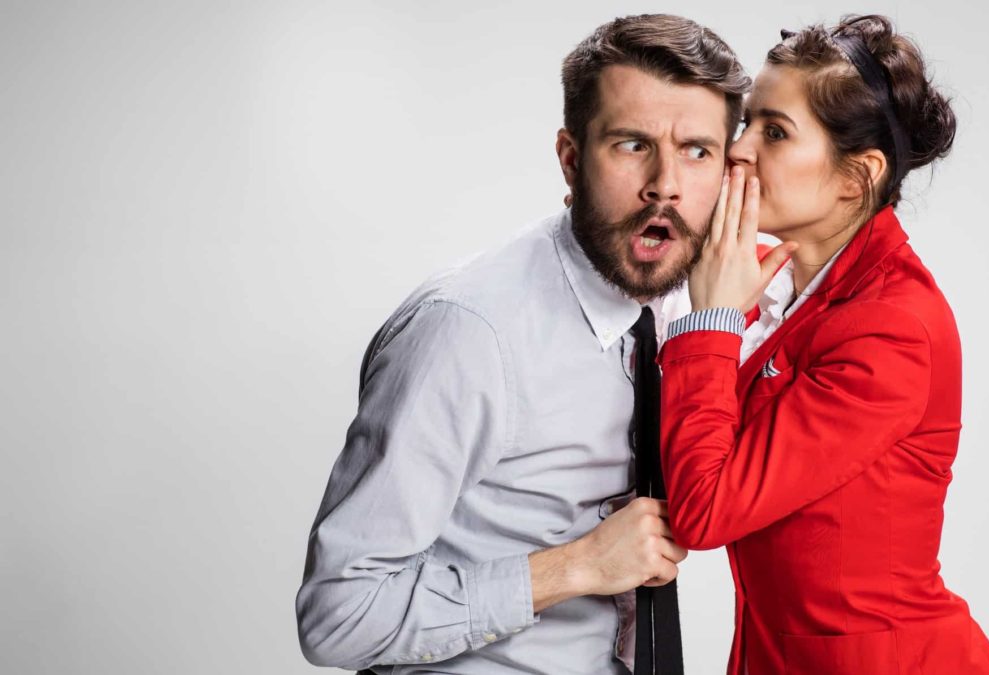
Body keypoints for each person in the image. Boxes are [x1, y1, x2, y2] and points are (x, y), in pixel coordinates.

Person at [295, 14, 750, 674]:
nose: (666, 184)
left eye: (697, 151)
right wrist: (578, 565)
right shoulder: (468, 333)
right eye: (631, 145)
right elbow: (337, 614)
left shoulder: (696, 306)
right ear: (570, 159)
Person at [657, 15, 989, 674]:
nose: (738, 150)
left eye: (774, 132)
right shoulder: (783, 287)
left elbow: (704, 511)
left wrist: (709, 327)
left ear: (857, 177)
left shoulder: (891, 328)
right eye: (747, 123)